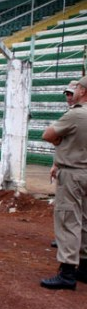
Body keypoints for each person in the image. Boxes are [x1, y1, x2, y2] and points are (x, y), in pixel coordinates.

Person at [40, 76, 87, 290]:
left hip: (73, 173)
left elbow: (48, 134)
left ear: (83, 91)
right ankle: (84, 268)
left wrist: (60, 141)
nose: (73, 91)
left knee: (68, 219)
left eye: (76, 87)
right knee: (84, 219)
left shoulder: (76, 114)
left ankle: (67, 273)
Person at [50, 81, 77, 248]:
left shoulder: (75, 115)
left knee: (67, 208)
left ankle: (68, 244)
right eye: (66, 94)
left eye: (71, 94)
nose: (68, 97)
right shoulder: (71, 114)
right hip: (69, 165)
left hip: (74, 168)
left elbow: (53, 137)